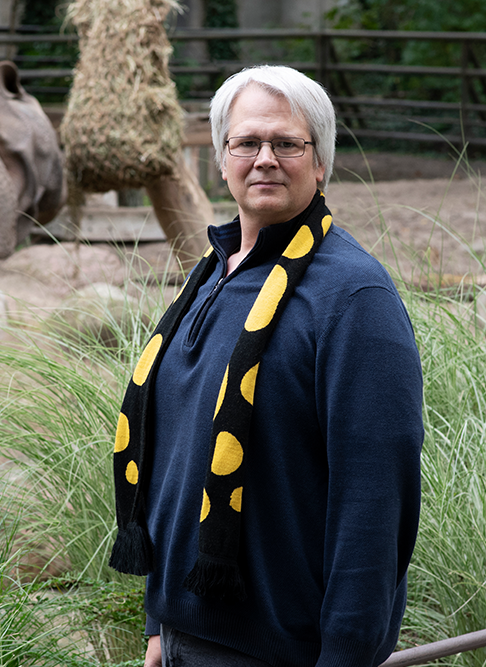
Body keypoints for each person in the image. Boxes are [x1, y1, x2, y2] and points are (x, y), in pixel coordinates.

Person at [108, 65, 424, 667]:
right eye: (247, 143)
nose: (265, 159)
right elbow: (174, 459)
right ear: (223, 159)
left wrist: (347, 657)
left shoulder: (354, 298)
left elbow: (375, 500)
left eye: (287, 144)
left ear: (321, 161)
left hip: (277, 652)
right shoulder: (211, 274)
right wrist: (158, 623)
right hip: (181, 637)